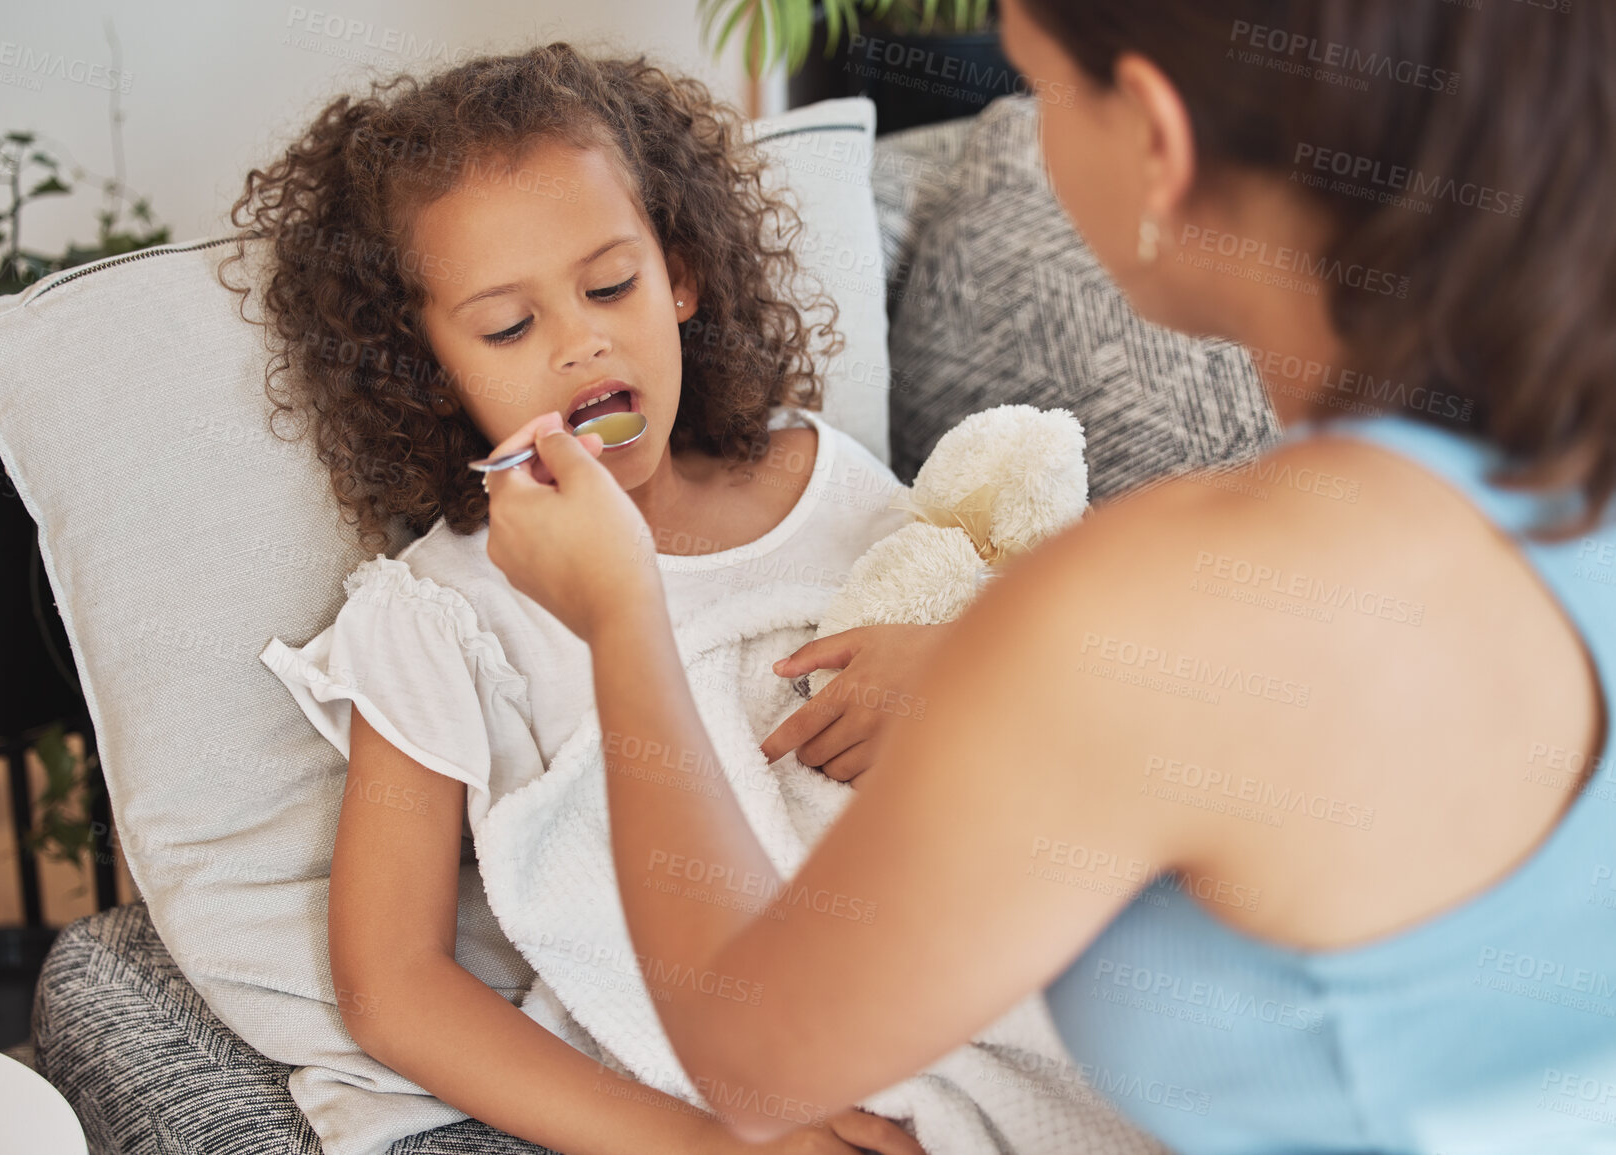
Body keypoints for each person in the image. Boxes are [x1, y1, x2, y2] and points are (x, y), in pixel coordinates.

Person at [478, 2, 1616, 1152]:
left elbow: (751, 1060)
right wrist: (1000, 691)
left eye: (1039, 90)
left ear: (1158, 146)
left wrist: (626, 618)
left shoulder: (1155, 603)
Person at [242, 44, 931, 1155]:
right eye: (509, 329)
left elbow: (1005, 659)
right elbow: (392, 985)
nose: (582, 340)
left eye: (610, 285)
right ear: (427, 369)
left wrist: (956, 666)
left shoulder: (825, 476)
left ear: (681, 276)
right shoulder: (440, 613)